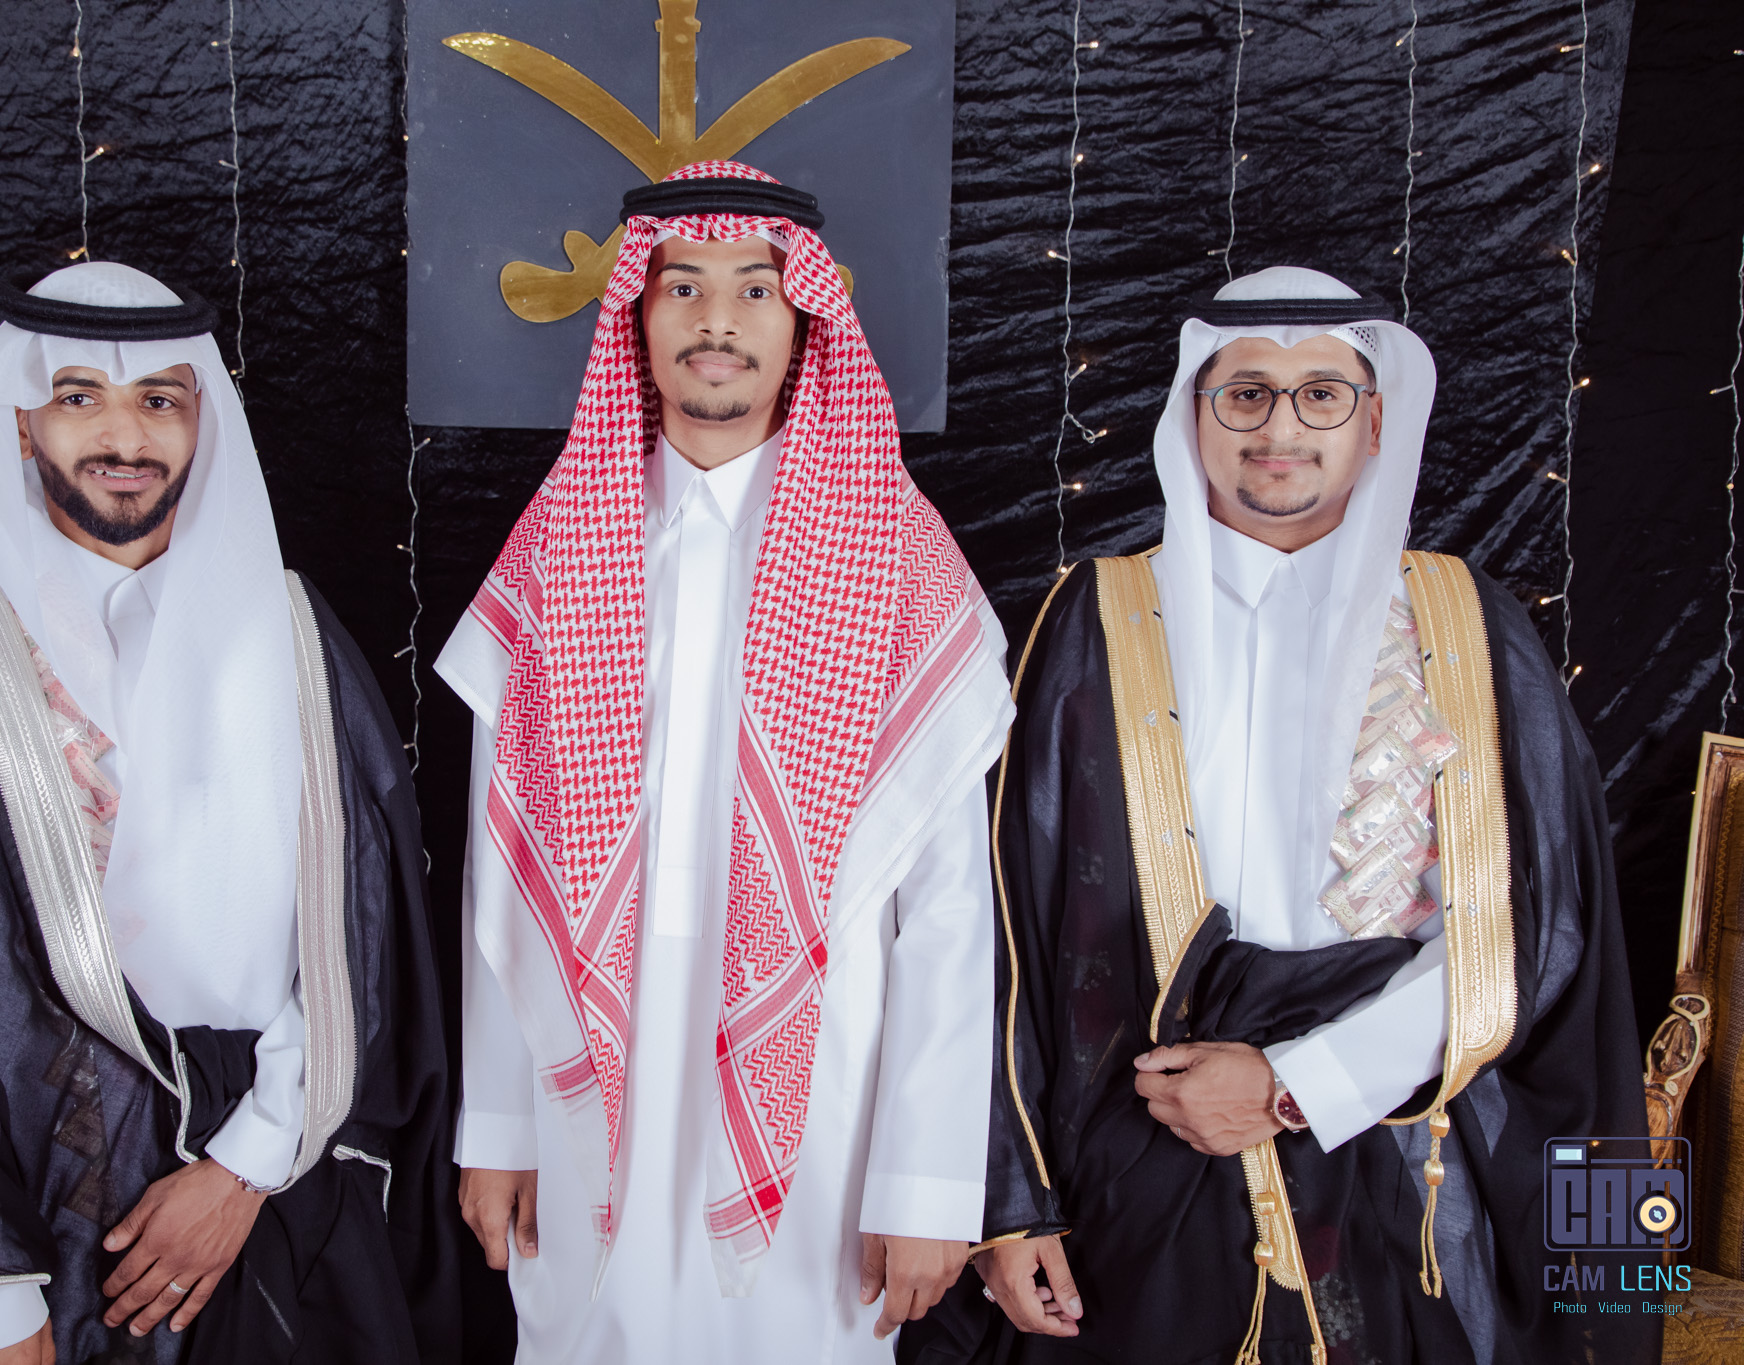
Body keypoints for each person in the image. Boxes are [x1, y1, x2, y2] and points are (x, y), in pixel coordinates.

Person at [904, 267, 1654, 1364]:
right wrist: (1007, 1208)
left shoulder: (1468, 624)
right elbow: (1005, 925)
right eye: (1246, 393)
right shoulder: (1096, 616)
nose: (1281, 428)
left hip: (1407, 1162)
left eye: (1321, 395)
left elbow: (1535, 928)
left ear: (1373, 422)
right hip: (1130, 1169)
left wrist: (1299, 1086)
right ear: (1193, 416)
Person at [0, 262, 456, 1365]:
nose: (125, 436)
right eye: (79, 397)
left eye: (160, 399)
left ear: (201, 421)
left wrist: (246, 1164)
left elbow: (362, 926)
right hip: (52, 1212)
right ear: (23, 426)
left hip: (285, 1185)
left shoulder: (289, 632)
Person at [434, 161, 1014, 1362]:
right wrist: (497, 1123)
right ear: (635, 318)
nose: (716, 320)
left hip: (825, 1080)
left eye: (755, 289)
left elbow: (951, 903)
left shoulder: (893, 554)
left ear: (802, 324)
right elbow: (505, 860)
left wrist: (924, 1180)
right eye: (682, 286)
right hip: (583, 1073)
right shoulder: (559, 543)